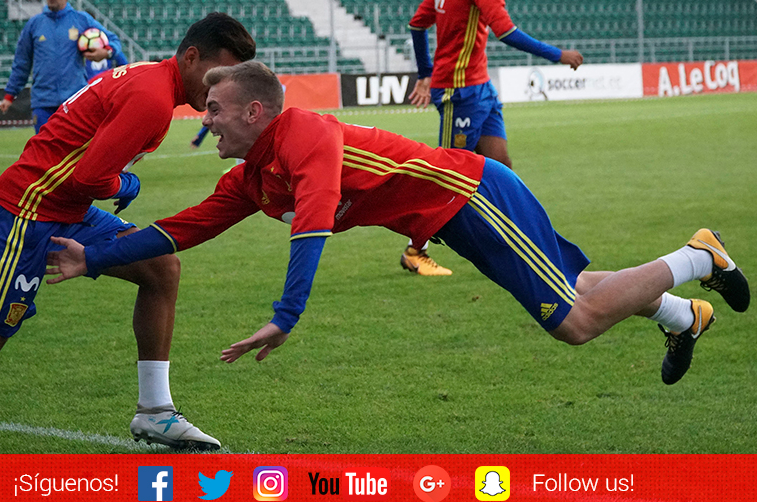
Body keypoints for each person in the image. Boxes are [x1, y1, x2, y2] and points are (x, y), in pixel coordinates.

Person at [44, 61, 749, 389]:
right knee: (578, 285)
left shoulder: (306, 137)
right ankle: (683, 314)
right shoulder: (251, 174)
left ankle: (695, 254)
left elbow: (313, 224)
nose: (206, 120)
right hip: (453, 215)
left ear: (255, 112)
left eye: (216, 111)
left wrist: (285, 315)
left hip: (474, 197)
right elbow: (186, 227)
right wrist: (96, 258)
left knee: (573, 317)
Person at [0, 14, 257, 450]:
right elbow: (89, 177)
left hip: (64, 207)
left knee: (161, 267)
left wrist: (115, 180)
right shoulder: (153, 99)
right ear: (191, 56)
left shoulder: (150, 79)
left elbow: (83, 176)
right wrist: (128, 184)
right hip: (26, 211)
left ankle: (156, 412)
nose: (220, 86)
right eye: (218, 73)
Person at [402, 0, 584, 275]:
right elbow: (506, 31)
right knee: (448, 174)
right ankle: (415, 250)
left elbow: (417, 25)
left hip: (481, 87)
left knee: (501, 164)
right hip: (459, 91)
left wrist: (426, 71)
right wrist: (558, 54)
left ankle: (514, 239)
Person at [0, 0, 124, 133]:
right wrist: (10, 94)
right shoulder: (34, 24)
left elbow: (114, 40)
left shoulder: (81, 19)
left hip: (75, 101)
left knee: (75, 151)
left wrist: (106, 52)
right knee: (44, 151)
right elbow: (22, 62)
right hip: (43, 102)